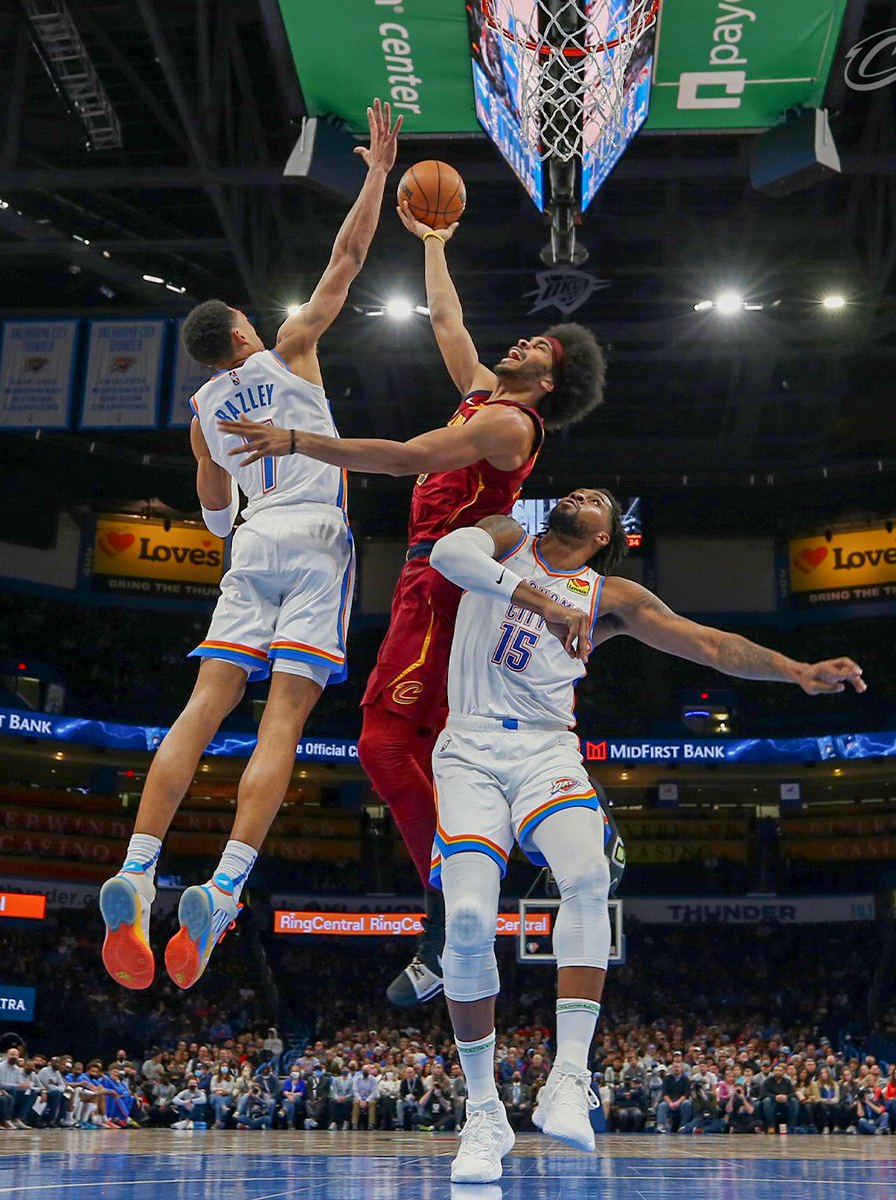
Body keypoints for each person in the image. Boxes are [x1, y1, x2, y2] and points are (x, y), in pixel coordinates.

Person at [219, 209, 607, 1008]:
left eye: (542, 347)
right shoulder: (481, 395)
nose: (525, 341)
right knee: (415, 750)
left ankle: (449, 915)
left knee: (385, 746)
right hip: (427, 581)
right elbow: (446, 319)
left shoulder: (507, 422)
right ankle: (472, 887)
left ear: (550, 381)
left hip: (441, 587)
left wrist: (297, 442)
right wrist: (434, 243)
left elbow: (404, 459)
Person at [422, 489, 865, 1182]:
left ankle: (569, 1077)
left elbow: (713, 645)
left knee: (591, 877)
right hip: (467, 750)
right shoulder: (506, 535)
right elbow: (450, 554)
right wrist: (545, 604)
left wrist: (796, 671)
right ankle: (483, 1115)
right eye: (580, 490)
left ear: (605, 537)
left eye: (598, 501)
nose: (583, 494)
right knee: (471, 921)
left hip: (546, 750)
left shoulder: (611, 594)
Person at [97, 98, 403, 993]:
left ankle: (138, 867)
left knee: (203, 707)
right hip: (313, 537)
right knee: (284, 719)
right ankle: (224, 885)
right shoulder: (293, 348)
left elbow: (210, 499)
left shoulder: (200, 415)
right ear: (242, 336)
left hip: (251, 544)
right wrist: (378, 173)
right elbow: (348, 259)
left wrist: (236, 537)